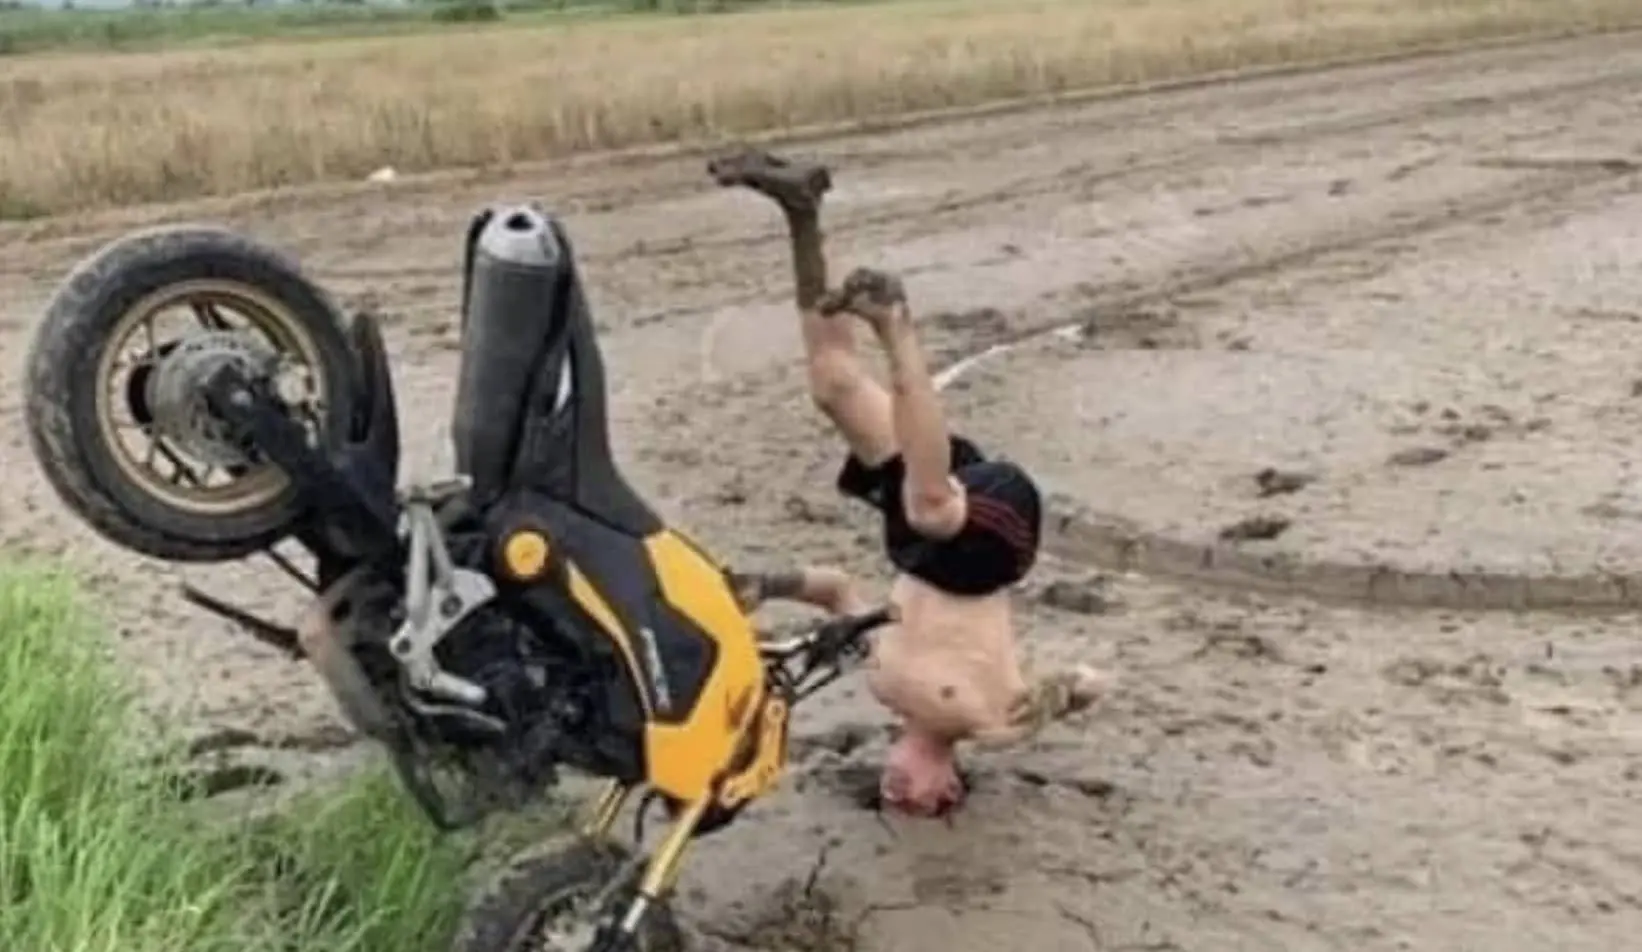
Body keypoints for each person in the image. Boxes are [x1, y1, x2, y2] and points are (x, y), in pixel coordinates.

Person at [709, 148, 1105, 818]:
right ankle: (896, 323)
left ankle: (801, 210)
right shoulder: (987, 723)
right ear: (950, 788)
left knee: (832, 384)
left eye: (890, 800)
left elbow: (836, 590)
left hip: (922, 539)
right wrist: (1057, 694)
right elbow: (1091, 683)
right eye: (920, 802)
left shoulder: (882, 685)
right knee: (930, 507)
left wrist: (761, 585)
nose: (899, 795)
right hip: (990, 543)